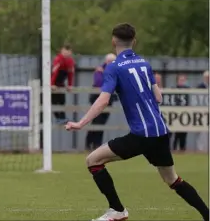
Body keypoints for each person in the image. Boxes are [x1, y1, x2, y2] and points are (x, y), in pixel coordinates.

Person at [64, 23, 209, 221]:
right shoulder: (144, 63)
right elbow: (158, 97)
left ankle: (117, 210)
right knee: (172, 180)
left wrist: (81, 123)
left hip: (141, 134)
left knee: (93, 161)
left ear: (113, 40)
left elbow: (103, 100)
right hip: (160, 131)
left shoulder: (113, 67)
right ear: (134, 41)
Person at [85, 53, 116, 150]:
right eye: (110, 61)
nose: (111, 63)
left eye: (113, 61)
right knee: (96, 121)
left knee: (102, 122)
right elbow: (99, 83)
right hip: (97, 98)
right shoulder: (99, 70)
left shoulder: (114, 70)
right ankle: (90, 143)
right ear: (106, 61)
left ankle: (97, 144)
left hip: (108, 99)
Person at [50, 44, 75, 124]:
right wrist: (52, 84)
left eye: (68, 52)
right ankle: (59, 118)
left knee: (62, 101)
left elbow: (70, 74)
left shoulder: (70, 61)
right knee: (54, 101)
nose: (67, 54)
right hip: (53, 81)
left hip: (61, 83)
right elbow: (54, 72)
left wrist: (70, 85)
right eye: (65, 51)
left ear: (70, 52)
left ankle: (63, 117)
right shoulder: (58, 59)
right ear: (62, 51)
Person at [172, 74, 190, 151]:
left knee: (183, 135)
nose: (182, 82)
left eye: (183, 80)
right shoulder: (173, 89)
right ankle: (174, 150)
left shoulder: (188, 89)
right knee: (176, 135)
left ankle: (183, 150)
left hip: (185, 115)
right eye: (181, 80)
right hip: (175, 115)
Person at [195, 71, 209, 152]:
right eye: (207, 78)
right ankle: (200, 150)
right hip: (201, 112)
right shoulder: (200, 86)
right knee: (201, 133)